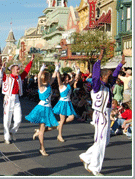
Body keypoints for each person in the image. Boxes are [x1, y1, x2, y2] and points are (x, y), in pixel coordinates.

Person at [79, 46, 125, 176]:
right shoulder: (97, 86)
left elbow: (115, 74)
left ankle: (86, 157)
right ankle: (94, 167)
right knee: (100, 142)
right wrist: (100, 57)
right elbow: (96, 73)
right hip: (100, 115)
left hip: (106, 114)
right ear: (103, 76)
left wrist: (120, 64)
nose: (112, 77)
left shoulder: (108, 85)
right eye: (109, 75)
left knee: (105, 141)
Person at [25, 63, 59, 156]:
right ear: (46, 78)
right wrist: (42, 68)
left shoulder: (49, 85)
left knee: (56, 126)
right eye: (49, 76)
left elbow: (54, 76)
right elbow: (39, 76)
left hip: (48, 108)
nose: (50, 78)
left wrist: (57, 68)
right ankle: (42, 148)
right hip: (42, 108)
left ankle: (39, 132)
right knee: (44, 128)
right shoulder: (41, 86)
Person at [2, 54, 34, 144]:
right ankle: (6, 137)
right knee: (7, 119)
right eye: (17, 69)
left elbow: (26, 71)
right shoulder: (7, 77)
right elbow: (0, 74)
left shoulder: (19, 77)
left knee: (19, 119)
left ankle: (12, 131)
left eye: (19, 69)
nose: (19, 70)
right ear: (12, 70)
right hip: (8, 98)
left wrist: (31, 61)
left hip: (16, 99)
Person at [52, 64, 80, 142]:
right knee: (63, 119)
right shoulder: (61, 85)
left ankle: (59, 124)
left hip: (68, 103)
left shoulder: (69, 85)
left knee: (71, 117)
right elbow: (58, 77)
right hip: (62, 103)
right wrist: (57, 68)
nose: (67, 80)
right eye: (66, 78)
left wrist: (78, 70)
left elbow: (76, 78)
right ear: (63, 79)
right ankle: (59, 135)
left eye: (68, 78)